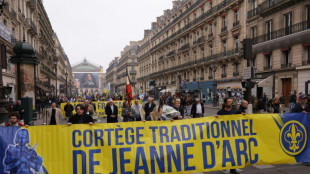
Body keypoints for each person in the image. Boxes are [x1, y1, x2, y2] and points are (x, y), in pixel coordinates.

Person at [216, 97, 238, 174]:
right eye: (229, 102)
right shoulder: (220, 112)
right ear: (225, 103)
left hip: (232, 134)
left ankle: (233, 168)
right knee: (224, 151)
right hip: (223, 135)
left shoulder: (233, 111)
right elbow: (216, 123)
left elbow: (237, 121)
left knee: (233, 151)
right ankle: (223, 164)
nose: (230, 103)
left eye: (231, 102)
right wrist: (216, 118)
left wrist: (243, 116)